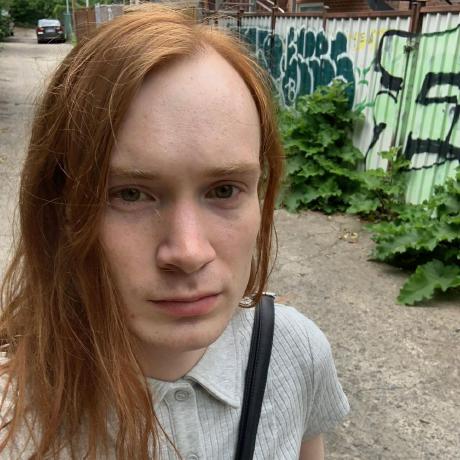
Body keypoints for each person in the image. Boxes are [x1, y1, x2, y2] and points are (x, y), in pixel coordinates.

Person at [0, 5, 349, 459]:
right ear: (59, 208)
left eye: (224, 189)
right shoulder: (13, 417)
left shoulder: (294, 351)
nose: (188, 252)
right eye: (130, 194)